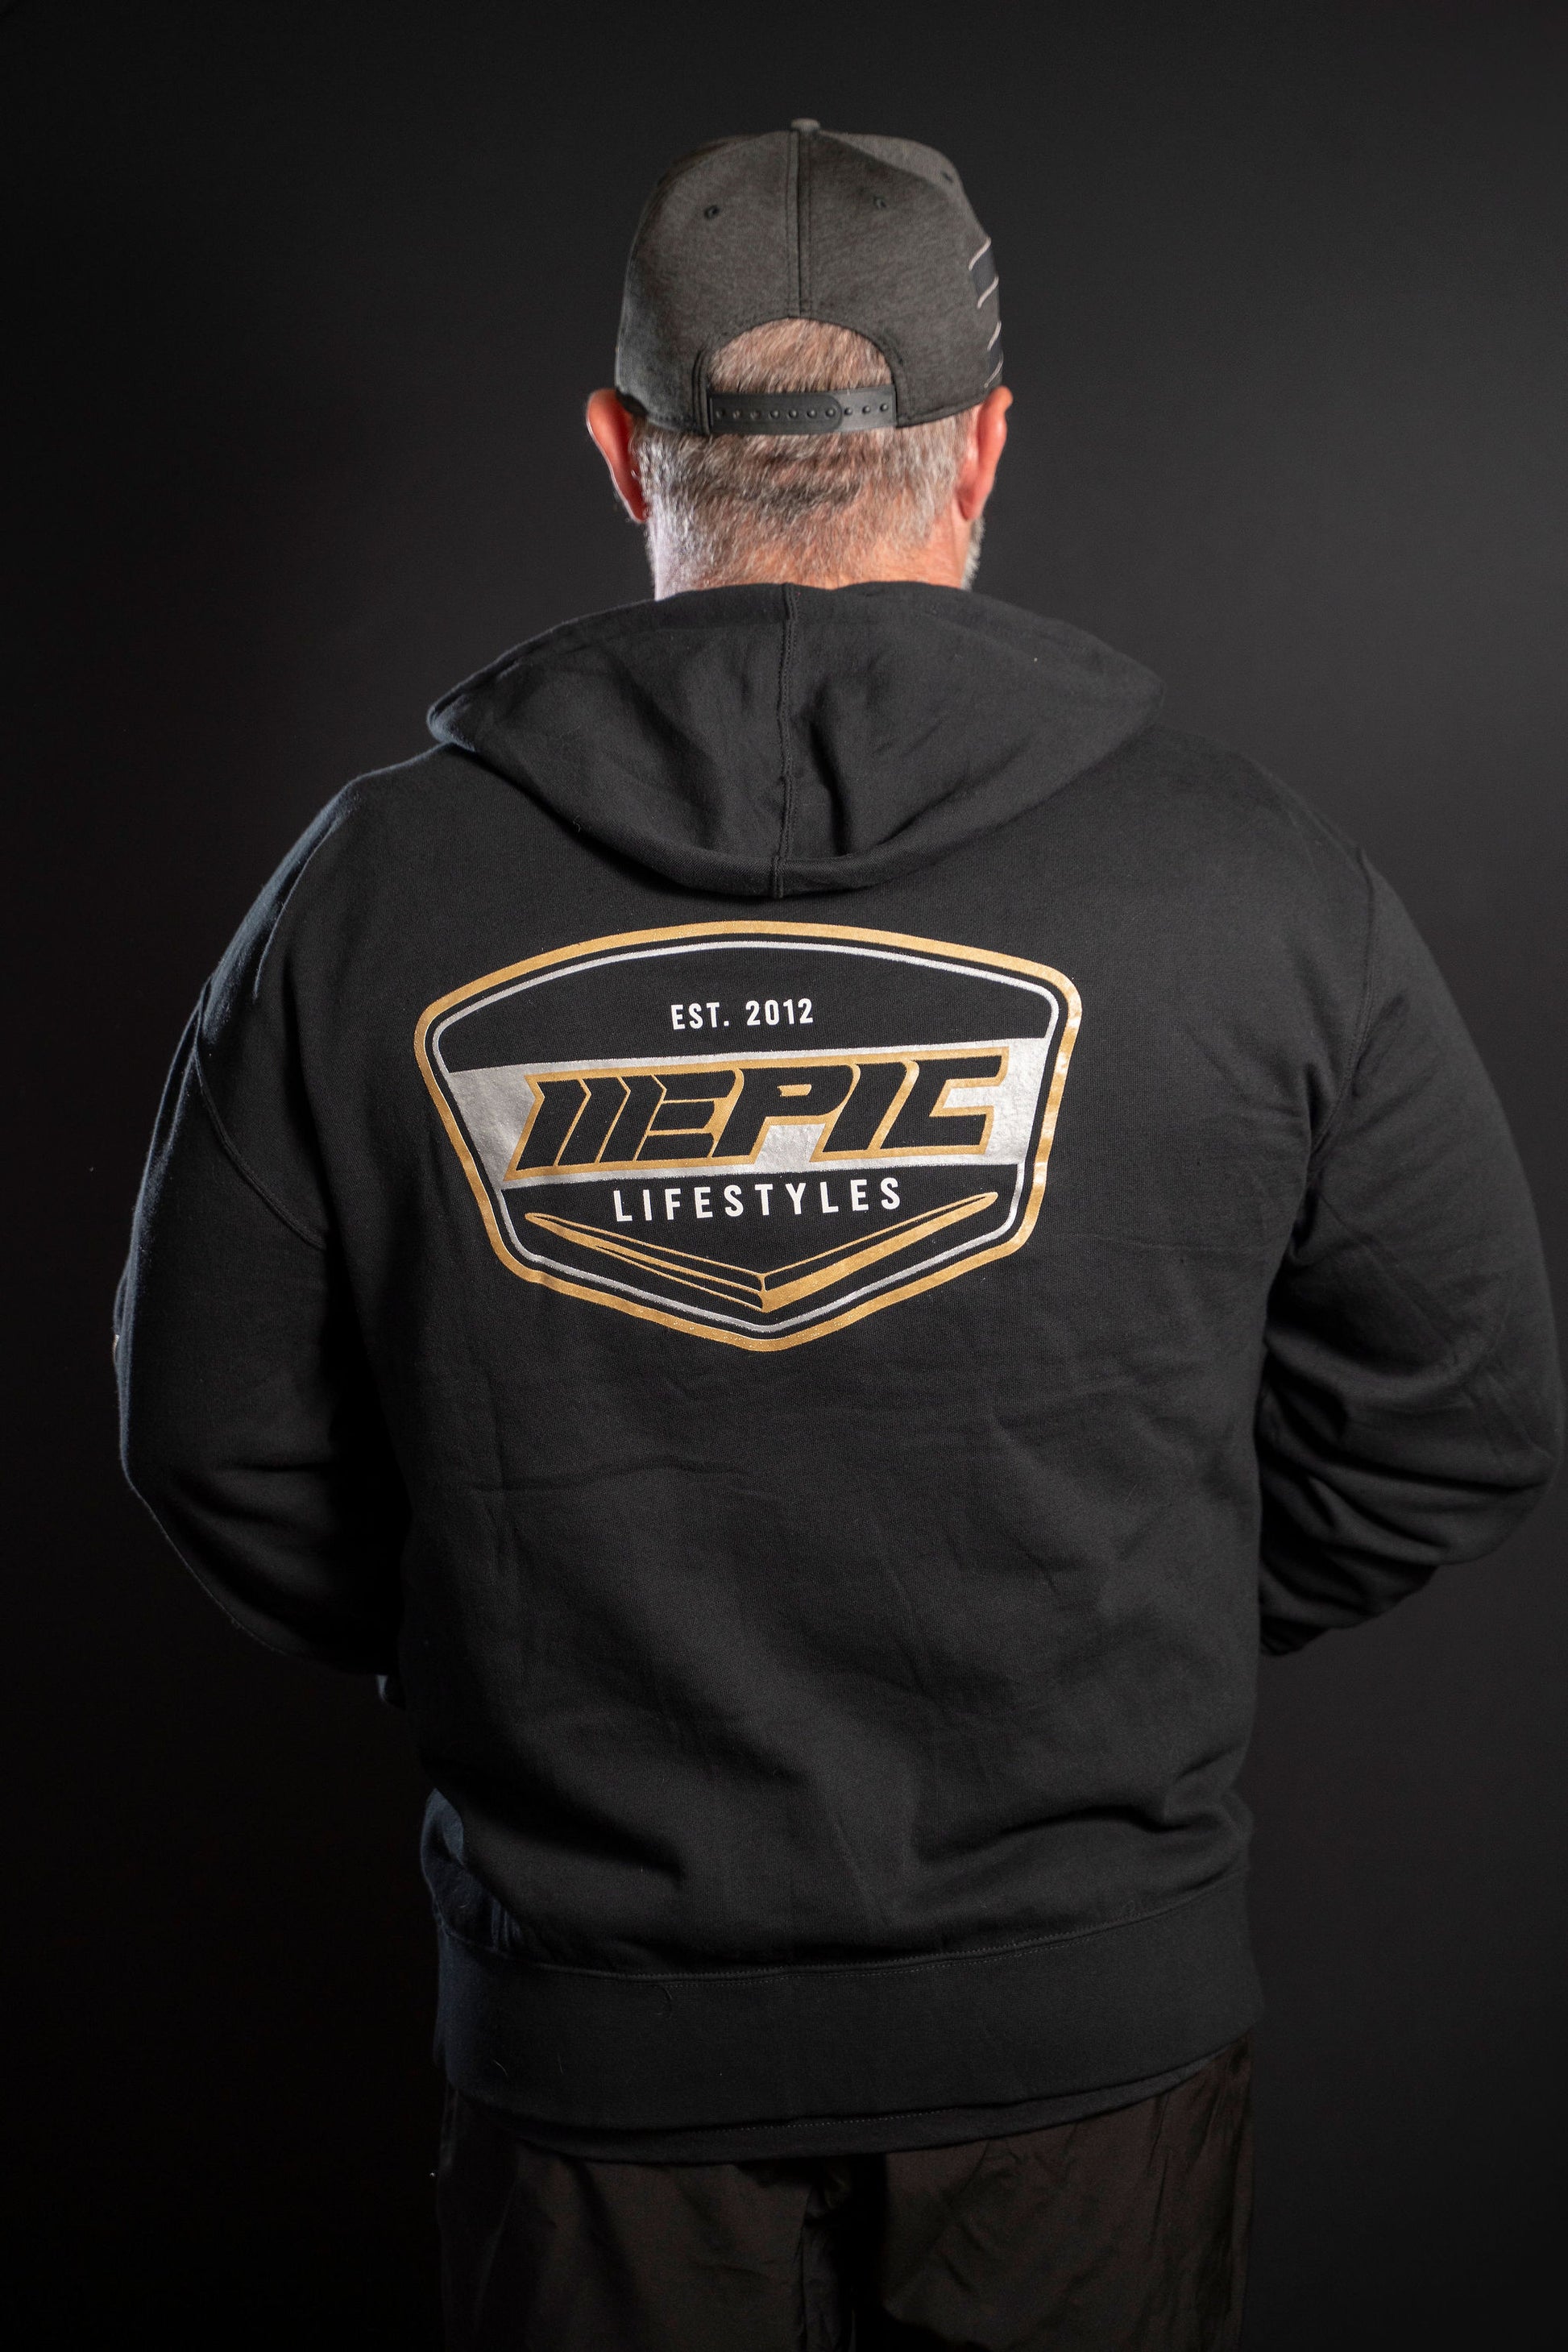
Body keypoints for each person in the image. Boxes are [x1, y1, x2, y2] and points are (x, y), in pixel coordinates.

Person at [115, 123, 1562, 2350]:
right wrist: (1128, 1615)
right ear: (982, 448)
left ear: (623, 452)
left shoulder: (368, 899)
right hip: (1085, 2058)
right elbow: (1459, 1415)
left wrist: (520, 1636)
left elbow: (210, 1442)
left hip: (595, 2067)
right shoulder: (1254, 879)